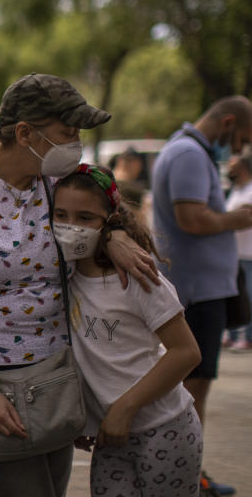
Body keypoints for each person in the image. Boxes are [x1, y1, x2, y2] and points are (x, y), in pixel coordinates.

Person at [0, 73, 159, 497]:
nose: (75, 144)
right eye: (67, 133)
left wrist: (113, 237)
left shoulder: (55, 179)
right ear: (25, 133)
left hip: (57, 376)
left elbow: (99, 208)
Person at [53, 164, 202, 497]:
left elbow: (187, 352)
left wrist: (124, 408)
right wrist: (88, 415)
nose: (70, 227)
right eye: (60, 214)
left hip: (165, 429)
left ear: (111, 221)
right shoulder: (66, 280)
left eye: (85, 218)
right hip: (110, 436)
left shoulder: (137, 277)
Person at [150, 96, 252, 496]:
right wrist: (237, 219)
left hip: (201, 289)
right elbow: (191, 219)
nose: (240, 150)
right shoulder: (189, 154)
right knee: (193, 391)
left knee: (193, 387)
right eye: (241, 138)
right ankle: (185, 477)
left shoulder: (184, 149)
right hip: (196, 293)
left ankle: (190, 472)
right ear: (227, 122)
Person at [223, 145, 252, 351]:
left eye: (233, 164)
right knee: (233, 292)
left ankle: (248, 337)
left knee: (249, 294)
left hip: (249, 252)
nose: (229, 168)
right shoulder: (235, 190)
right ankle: (232, 334)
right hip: (234, 251)